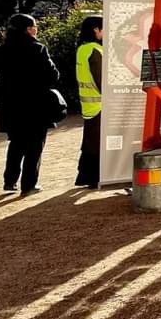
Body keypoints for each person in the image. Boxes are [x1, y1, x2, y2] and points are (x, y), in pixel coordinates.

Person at [0, 12, 61, 194]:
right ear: (28, 29)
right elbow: (53, 75)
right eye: (34, 26)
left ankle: (10, 181)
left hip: (10, 105)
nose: (36, 29)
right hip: (36, 104)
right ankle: (29, 185)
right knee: (35, 146)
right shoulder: (38, 49)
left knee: (16, 143)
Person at [75, 15, 103, 189]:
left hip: (88, 104)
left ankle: (85, 176)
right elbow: (101, 80)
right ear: (96, 30)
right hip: (100, 104)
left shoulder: (82, 49)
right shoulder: (95, 50)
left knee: (90, 142)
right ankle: (92, 177)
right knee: (96, 143)